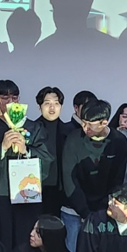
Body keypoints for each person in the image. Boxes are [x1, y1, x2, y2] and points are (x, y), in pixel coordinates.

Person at [0, 81, 51, 249]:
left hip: (27, 195)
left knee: (26, 240)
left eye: (14, 98)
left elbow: (47, 160)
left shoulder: (33, 128)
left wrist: (26, 151)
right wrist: (1, 148)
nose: (10, 102)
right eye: (4, 98)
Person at [60, 98, 127, 252]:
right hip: (74, 210)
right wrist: (85, 212)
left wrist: (101, 211)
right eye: (83, 123)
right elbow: (69, 180)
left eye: (89, 124)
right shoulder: (73, 140)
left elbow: (117, 181)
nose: (84, 128)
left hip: (104, 209)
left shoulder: (118, 142)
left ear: (104, 123)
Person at [33, 86, 74, 216]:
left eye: (56, 103)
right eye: (47, 103)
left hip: (61, 191)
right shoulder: (30, 130)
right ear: (39, 107)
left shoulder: (70, 131)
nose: (52, 108)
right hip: (35, 190)